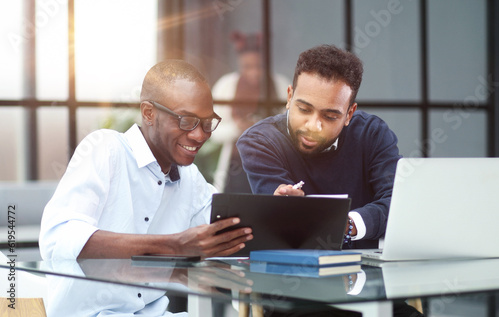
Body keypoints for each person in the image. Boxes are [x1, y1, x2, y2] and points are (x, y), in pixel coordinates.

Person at [39, 60, 253, 260]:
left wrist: (278, 203)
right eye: (187, 120)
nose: (199, 135)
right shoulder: (106, 149)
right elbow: (58, 238)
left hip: (156, 303)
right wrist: (172, 246)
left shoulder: (189, 178)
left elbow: (232, 232)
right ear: (149, 113)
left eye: (207, 123)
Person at [236, 45, 402, 249]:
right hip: (293, 272)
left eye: (330, 116)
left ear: (349, 114)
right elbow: (287, 225)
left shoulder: (372, 134)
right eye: (304, 109)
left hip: (365, 271)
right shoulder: (259, 141)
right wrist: (280, 205)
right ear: (289, 97)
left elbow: (397, 203)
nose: (313, 126)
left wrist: (347, 225)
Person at [208, 31, 289, 193]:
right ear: (239, 64)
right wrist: (239, 128)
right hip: (236, 165)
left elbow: (290, 127)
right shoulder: (226, 85)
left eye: (258, 67)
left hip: (271, 161)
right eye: (247, 67)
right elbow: (213, 131)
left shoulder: (281, 85)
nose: (254, 72)